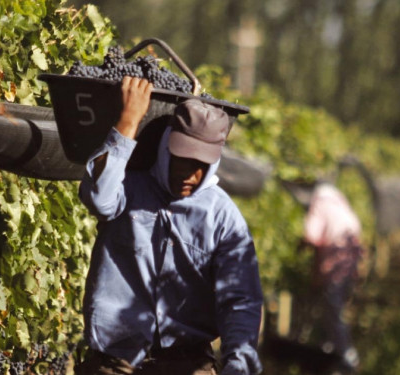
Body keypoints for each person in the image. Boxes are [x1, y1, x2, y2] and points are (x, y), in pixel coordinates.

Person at [76, 76, 264, 375]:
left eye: (202, 165)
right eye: (183, 160)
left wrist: (238, 364)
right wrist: (128, 122)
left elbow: (240, 299)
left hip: (188, 363)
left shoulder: (223, 217)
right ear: (166, 148)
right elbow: (98, 198)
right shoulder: (129, 189)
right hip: (115, 363)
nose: (191, 175)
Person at [301, 182, 364, 374]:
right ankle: (331, 345)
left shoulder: (321, 203)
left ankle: (346, 353)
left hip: (336, 263)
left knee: (332, 307)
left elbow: (312, 235)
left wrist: (302, 246)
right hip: (349, 264)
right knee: (334, 306)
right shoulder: (341, 205)